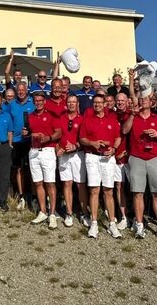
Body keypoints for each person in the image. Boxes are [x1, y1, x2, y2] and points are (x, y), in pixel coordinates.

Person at [122, 94, 157, 241]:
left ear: (151, 102)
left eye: (146, 99)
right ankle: (139, 224)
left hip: (154, 157)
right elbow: (124, 131)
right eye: (141, 99)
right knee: (138, 193)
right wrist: (132, 114)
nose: (143, 101)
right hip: (136, 158)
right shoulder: (133, 117)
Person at [79, 94, 122, 238]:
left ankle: (112, 223)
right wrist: (92, 143)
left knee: (108, 190)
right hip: (92, 157)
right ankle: (94, 223)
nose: (97, 105)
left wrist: (114, 149)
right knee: (94, 190)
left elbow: (118, 137)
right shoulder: (87, 120)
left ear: (104, 104)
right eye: (95, 103)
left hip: (108, 158)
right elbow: (82, 138)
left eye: (100, 102)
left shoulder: (112, 120)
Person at [26, 92, 61, 229]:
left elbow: (58, 132)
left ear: (44, 101)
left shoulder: (51, 115)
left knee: (50, 183)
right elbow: (29, 133)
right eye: (36, 100)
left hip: (48, 151)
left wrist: (49, 138)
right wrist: (26, 134)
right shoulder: (30, 116)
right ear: (33, 102)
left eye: (40, 100)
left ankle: (52, 213)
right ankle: (43, 211)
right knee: (38, 183)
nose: (38, 103)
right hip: (34, 151)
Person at [56, 94, 88, 227]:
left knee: (80, 185)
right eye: (69, 102)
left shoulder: (82, 119)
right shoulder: (61, 118)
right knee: (67, 183)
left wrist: (75, 146)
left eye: (74, 102)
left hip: (77, 155)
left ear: (77, 104)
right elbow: (57, 137)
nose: (71, 104)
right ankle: (69, 213)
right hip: (64, 155)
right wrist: (57, 149)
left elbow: (85, 139)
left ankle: (84, 213)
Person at [8, 82, 34, 210]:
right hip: (17, 141)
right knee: (18, 169)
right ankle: (22, 195)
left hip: (30, 141)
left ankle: (33, 196)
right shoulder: (12, 104)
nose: (21, 92)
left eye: (23, 89)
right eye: (19, 90)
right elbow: (7, 121)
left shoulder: (32, 103)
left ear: (27, 90)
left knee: (32, 169)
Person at [113, 92, 130, 231]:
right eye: (118, 100)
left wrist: (126, 152)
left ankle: (137, 217)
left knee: (136, 188)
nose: (120, 103)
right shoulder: (112, 116)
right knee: (119, 186)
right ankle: (124, 216)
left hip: (130, 157)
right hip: (116, 158)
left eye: (122, 100)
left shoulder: (132, 115)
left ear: (127, 102)